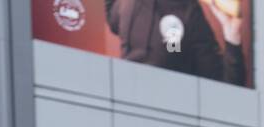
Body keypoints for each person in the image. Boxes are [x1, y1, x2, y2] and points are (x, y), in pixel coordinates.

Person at [104, 0, 246, 85]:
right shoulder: (126, 4)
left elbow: (225, 85)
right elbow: (112, 18)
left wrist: (232, 34)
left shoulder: (190, 14)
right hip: (124, 111)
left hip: (167, 120)